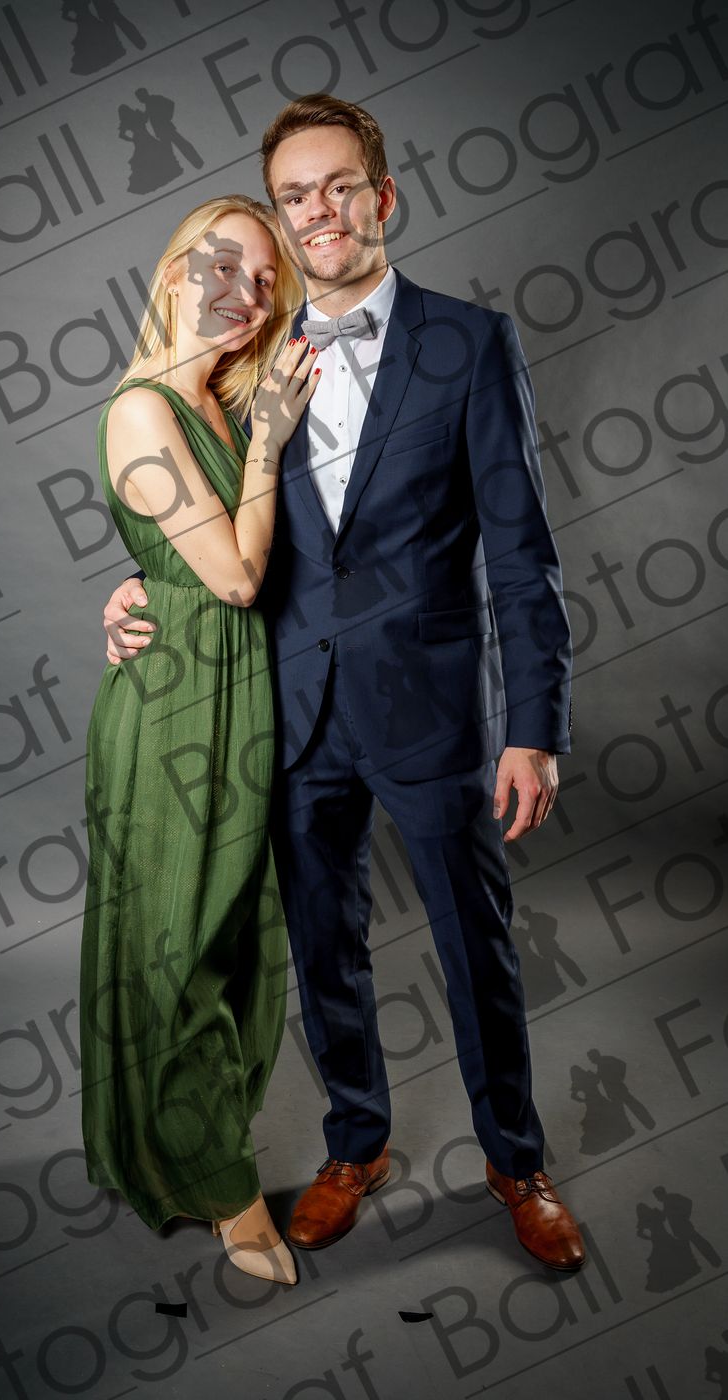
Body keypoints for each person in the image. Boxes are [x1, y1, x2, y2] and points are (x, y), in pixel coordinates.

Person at [103, 95, 585, 1271]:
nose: (316, 210)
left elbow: (522, 551)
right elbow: (189, 509)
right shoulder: (243, 352)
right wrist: (130, 593)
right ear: (281, 215)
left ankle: (516, 1159)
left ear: (383, 196)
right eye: (294, 195)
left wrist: (535, 725)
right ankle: (354, 1142)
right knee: (323, 948)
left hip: (428, 707)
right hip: (284, 706)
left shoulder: (470, 343)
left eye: (338, 186)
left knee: (476, 945)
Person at [79, 192, 319, 1287]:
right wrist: (268, 442)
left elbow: (182, 554)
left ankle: (186, 1143)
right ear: (178, 272)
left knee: (231, 938)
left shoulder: (220, 399)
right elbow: (231, 577)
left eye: (265, 280)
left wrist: (132, 581)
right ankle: (228, 1193)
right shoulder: (145, 409)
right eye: (225, 268)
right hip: (177, 708)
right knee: (176, 946)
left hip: (239, 694)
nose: (247, 294)